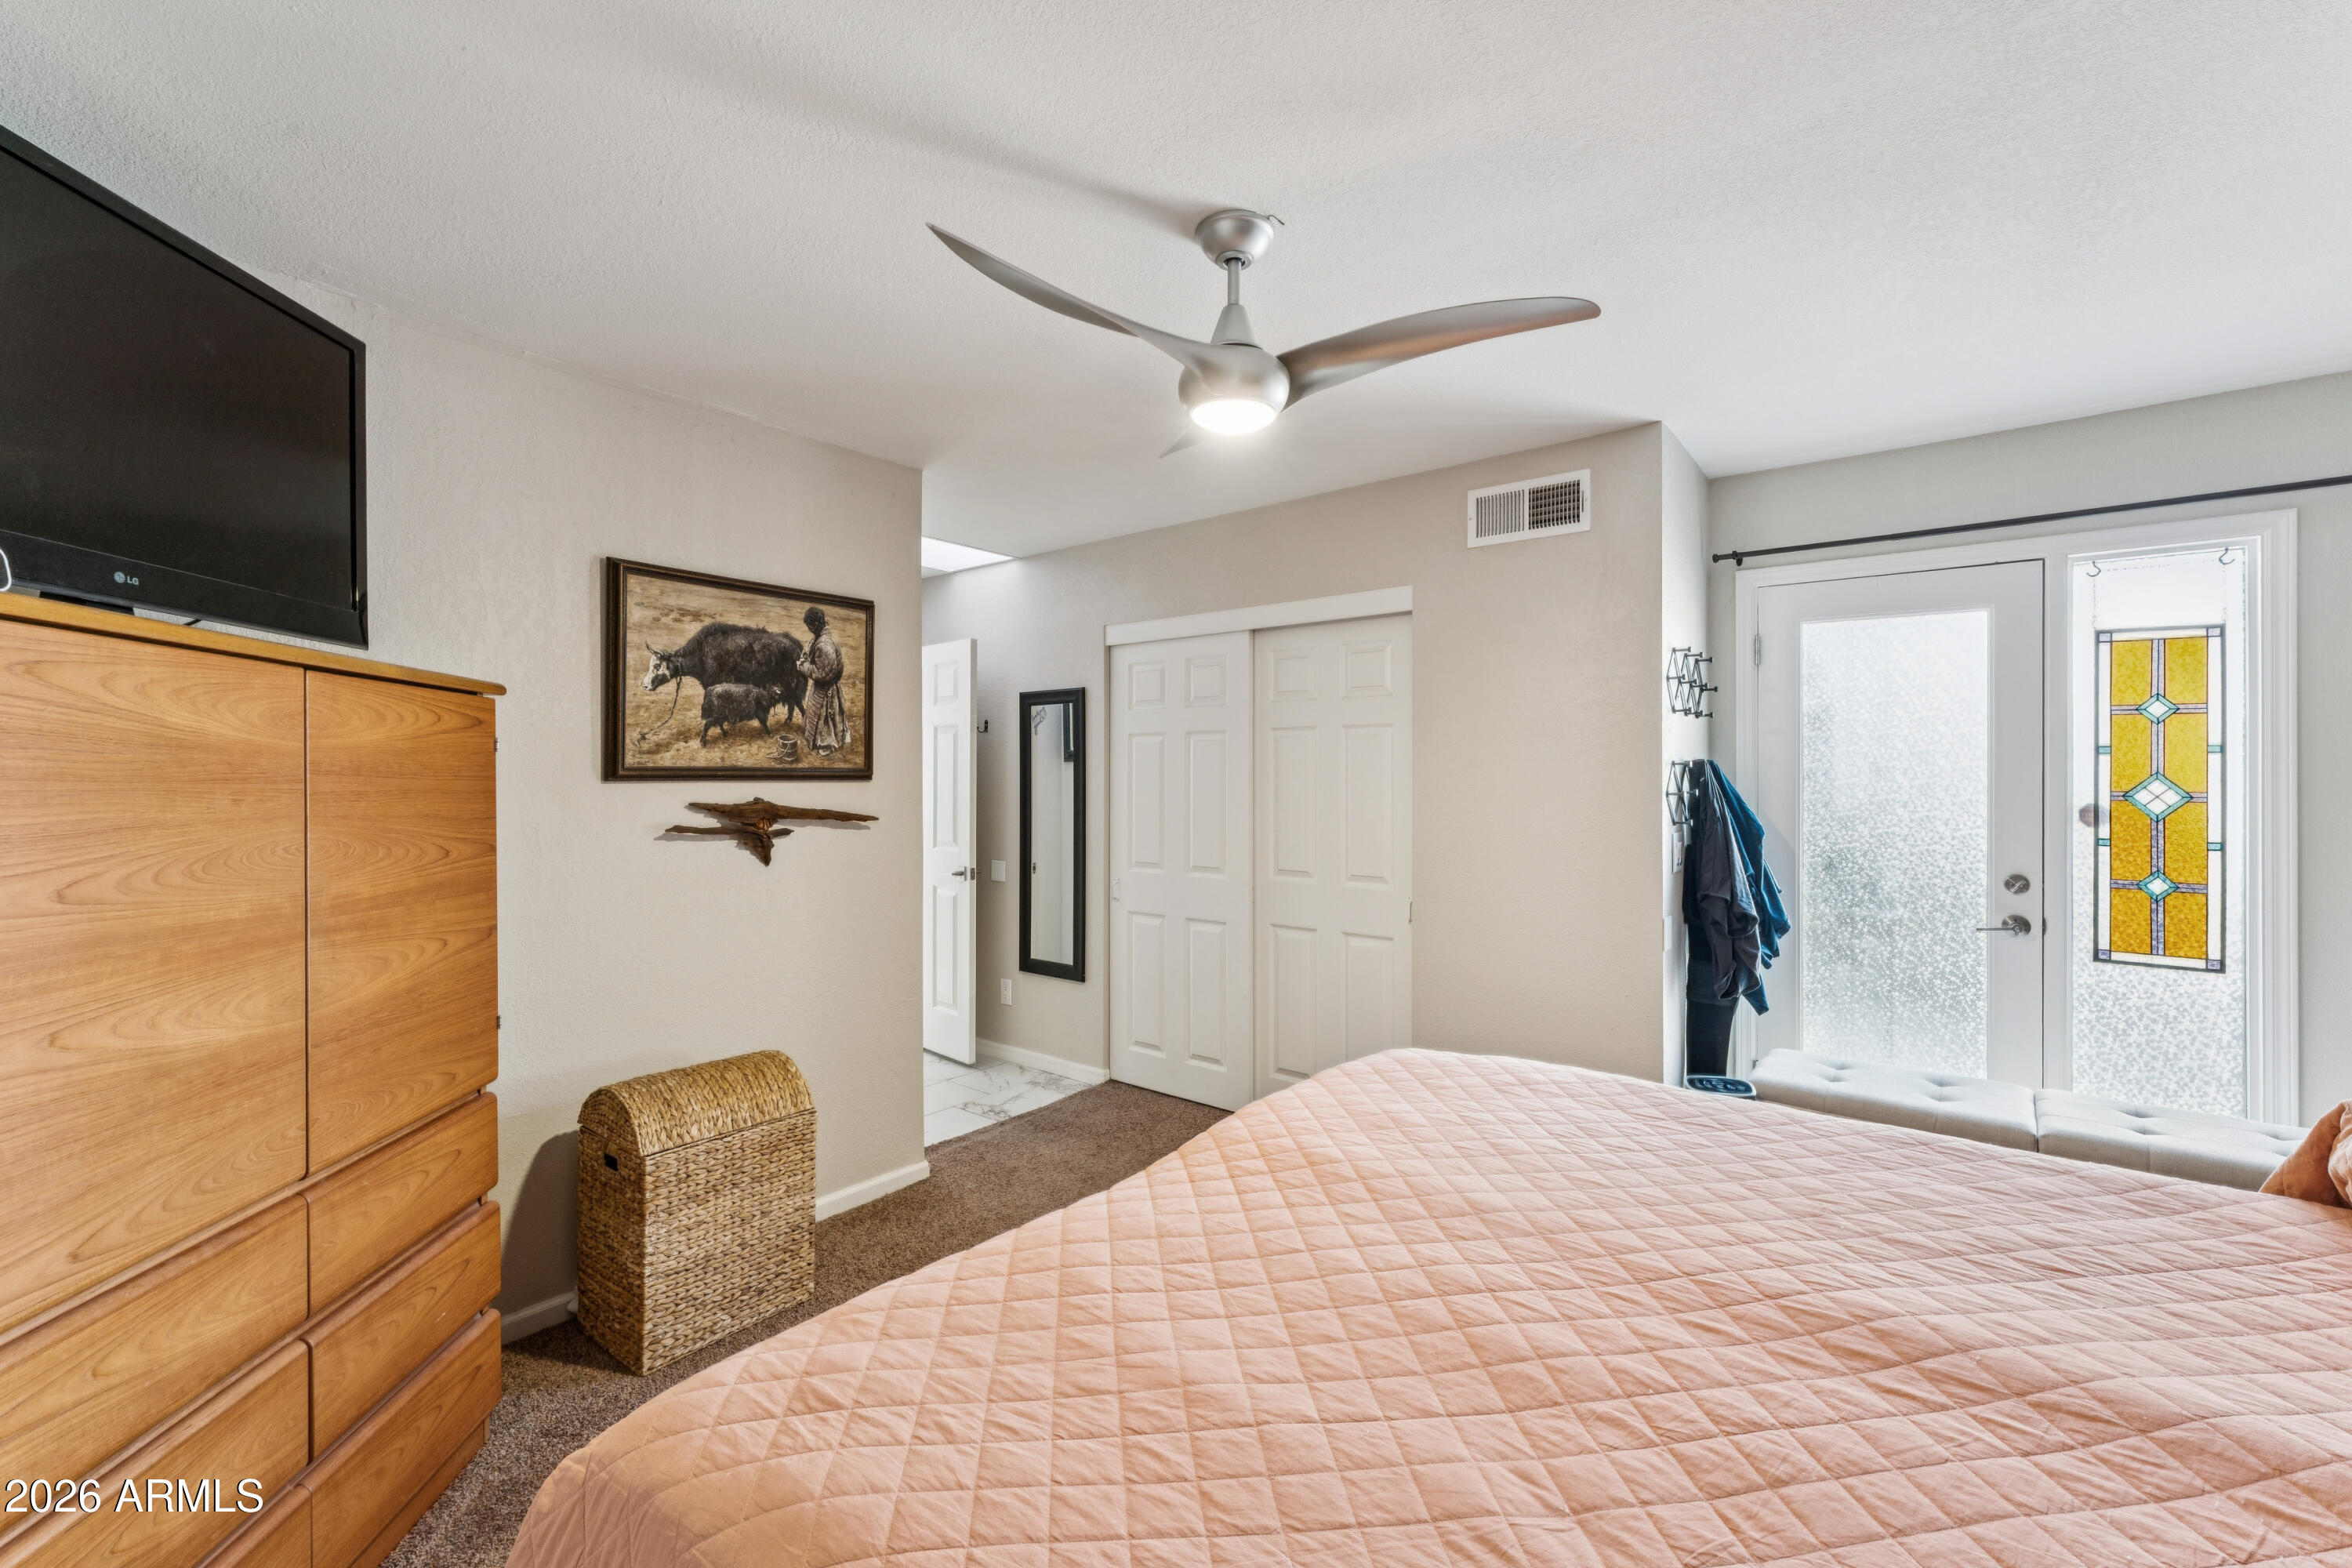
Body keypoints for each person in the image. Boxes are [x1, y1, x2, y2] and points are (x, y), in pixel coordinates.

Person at [797, 604, 850, 755]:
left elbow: (821, 673)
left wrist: (803, 666)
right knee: (820, 716)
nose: (808, 629)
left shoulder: (824, 645)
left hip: (826, 689)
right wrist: (808, 659)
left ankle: (825, 744)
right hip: (825, 687)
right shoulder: (822, 639)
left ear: (814, 624)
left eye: (809, 625)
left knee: (824, 718)